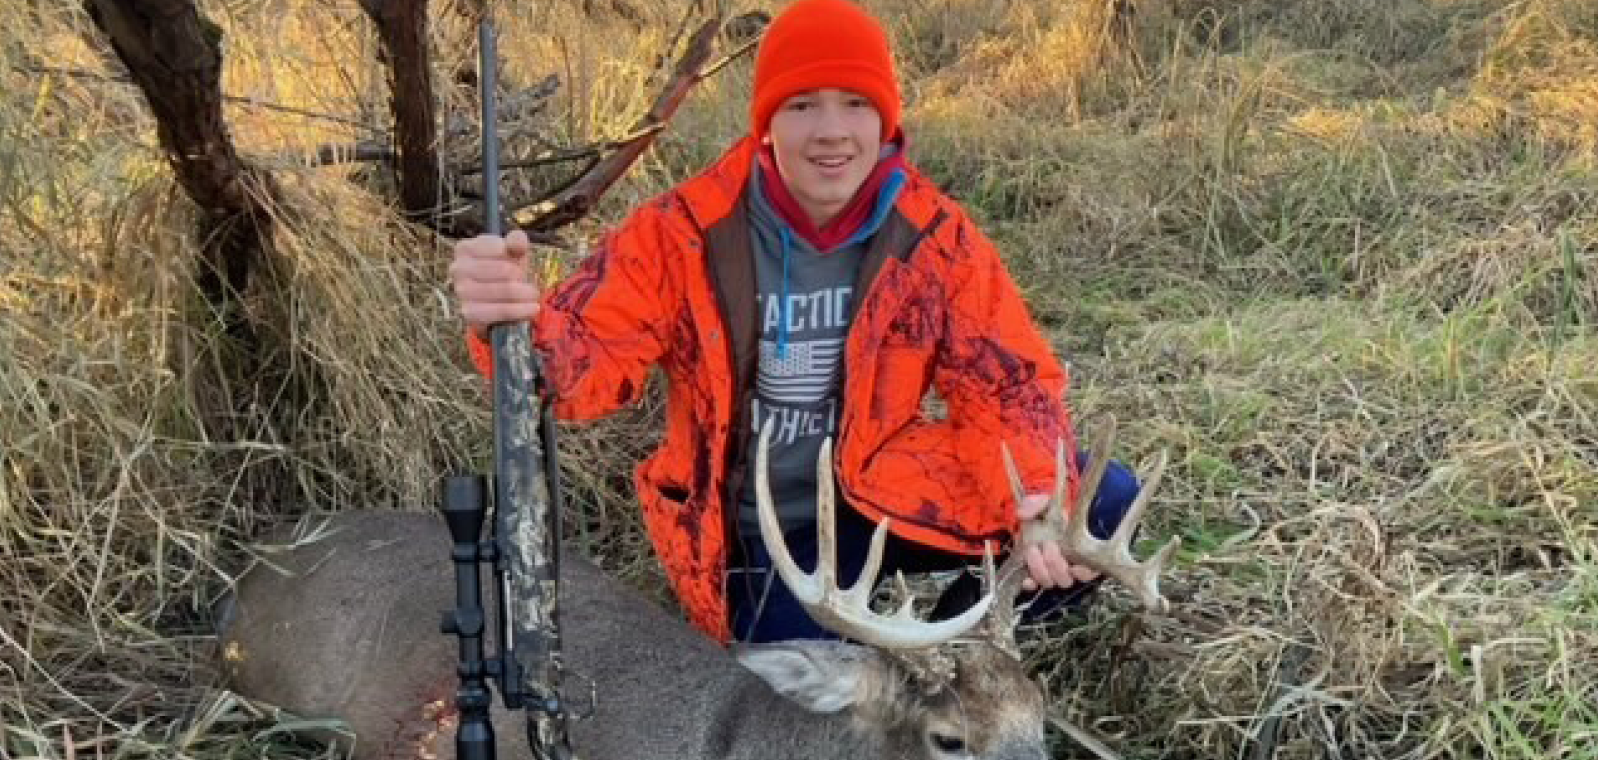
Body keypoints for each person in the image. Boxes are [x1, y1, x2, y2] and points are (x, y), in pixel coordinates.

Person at [449, 0, 1140, 644]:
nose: (831, 131)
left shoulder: (933, 238)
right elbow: (576, 370)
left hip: (884, 493)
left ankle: (960, 649)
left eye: (856, 104)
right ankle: (865, 650)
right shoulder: (681, 233)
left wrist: (1036, 505)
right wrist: (509, 323)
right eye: (803, 104)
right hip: (765, 534)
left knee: (1099, 506)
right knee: (805, 703)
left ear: (885, 121)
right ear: (767, 123)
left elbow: (1010, 385)